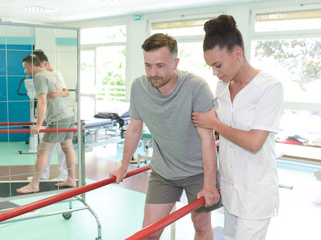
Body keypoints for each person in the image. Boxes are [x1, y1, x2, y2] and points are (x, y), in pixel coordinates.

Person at [109, 33, 222, 240]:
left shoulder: (196, 87)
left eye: (160, 65)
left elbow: (207, 139)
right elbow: (134, 128)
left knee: (201, 227)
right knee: (148, 232)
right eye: (148, 65)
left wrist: (209, 184)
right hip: (163, 172)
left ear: (175, 62)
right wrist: (124, 166)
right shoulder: (139, 88)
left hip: (198, 171)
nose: (153, 73)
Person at [191, 15, 283, 240]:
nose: (215, 72)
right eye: (211, 66)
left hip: (256, 193)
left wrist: (214, 124)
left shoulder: (269, 87)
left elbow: (254, 142)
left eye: (218, 65)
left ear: (238, 53)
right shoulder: (222, 87)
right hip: (231, 190)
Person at [16, 54, 76, 194]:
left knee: (42, 151)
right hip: (68, 115)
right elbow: (56, 96)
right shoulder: (50, 74)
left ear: (32, 65)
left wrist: (38, 124)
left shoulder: (39, 77)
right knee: (68, 148)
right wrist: (44, 118)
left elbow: (42, 101)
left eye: (25, 67)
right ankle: (71, 179)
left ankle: (34, 185)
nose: (24, 71)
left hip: (59, 119)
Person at [33, 49, 69, 181]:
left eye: (37, 64)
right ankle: (43, 175)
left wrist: (59, 93)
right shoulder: (41, 76)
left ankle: (64, 175)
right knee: (47, 148)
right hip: (50, 116)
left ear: (44, 63)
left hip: (60, 115)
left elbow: (66, 92)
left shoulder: (55, 74)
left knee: (61, 147)